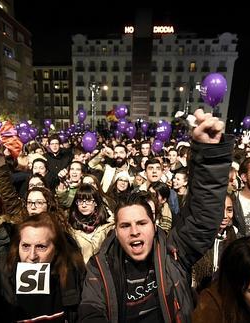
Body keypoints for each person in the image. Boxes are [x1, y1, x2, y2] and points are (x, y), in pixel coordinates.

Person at [78, 110, 232, 322]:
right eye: (125, 226)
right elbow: (90, 312)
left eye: (142, 222)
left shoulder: (174, 254)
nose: (134, 231)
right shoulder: (100, 266)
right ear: (115, 230)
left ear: (154, 225)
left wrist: (210, 154)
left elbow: (204, 216)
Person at [192, 193, 238, 291]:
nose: (225, 215)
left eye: (229, 210)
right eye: (219, 210)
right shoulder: (196, 239)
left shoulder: (236, 241)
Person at [67, 184, 113, 263]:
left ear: (95, 202)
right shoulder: (69, 227)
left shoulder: (109, 226)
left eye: (88, 201)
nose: (84, 205)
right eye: (80, 201)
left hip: (102, 271)